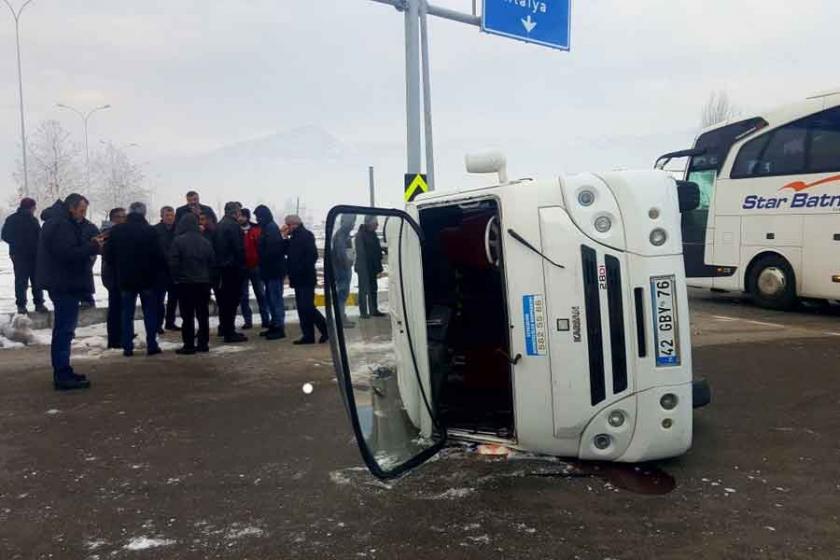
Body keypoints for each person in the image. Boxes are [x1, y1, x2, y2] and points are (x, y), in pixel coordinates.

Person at [36, 194, 102, 391]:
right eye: (81, 210)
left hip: (64, 282)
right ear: (72, 208)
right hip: (63, 283)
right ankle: (62, 374)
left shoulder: (61, 222)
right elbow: (66, 253)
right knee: (64, 330)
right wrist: (92, 246)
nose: (83, 214)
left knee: (65, 329)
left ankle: (64, 370)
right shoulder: (61, 224)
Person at [104, 202, 166, 357]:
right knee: (149, 312)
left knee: (126, 313)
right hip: (147, 279)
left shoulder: (117, 231)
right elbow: (159, 256)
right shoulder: (150, 231)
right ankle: (152, 344)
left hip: (125, 278)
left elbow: (108, 255)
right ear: (144, 214)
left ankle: (127, 346)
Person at [169, 213, 215, 355]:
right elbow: (212, 263)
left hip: (185, 283)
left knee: (187, 316)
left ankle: (188, 345)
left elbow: (173, 262)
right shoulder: (205, 242)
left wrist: (176, 278)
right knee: (203, 315)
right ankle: (203, 343)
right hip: (203, 283)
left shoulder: (178, 241)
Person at [284, 214, 327, 345]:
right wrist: (285, 238)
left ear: (293, 224)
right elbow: (289, 252)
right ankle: (308, 335)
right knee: (302, 308)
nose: (286, 228)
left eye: (288, 225)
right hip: (298, 278)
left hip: (305, 278)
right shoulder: (294, 237)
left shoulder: (305, 235)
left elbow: (312, 255)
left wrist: (300, 268)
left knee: (307, 307)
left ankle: (326, 329)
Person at [1, 197, 46, 315]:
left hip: (17, 255)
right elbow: (40, 237)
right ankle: (39, 304)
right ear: (31, 207)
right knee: (36, 280)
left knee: (21, 281)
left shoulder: (11, 219)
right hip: (33, 255)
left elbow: (5, 235)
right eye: (34, 208)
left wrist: (16, 243)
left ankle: (21, 306)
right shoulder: (33, 220)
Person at [215, 201, 247, 343]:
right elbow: (238, 248)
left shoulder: (220, 224)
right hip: (232, 268)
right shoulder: (233, 226)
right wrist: (242, 266)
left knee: (224, 301)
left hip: (221, 268)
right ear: (236, 212)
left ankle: (224, 328)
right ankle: (230, 332)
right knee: (231, 301)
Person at [254, 205, 287, 340]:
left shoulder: (271, 228)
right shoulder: (267, 227)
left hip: (273, 270)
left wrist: (261, 249)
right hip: (270, 270)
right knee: (271, 298)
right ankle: (274, 324)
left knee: (275, 299)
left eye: (258, 217)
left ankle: (279, 327)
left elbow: (272, 251)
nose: (257, 220)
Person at [238, 208, 269, 330]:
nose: (240, 218)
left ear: (247, 217)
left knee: (260, 294)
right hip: (242, 267)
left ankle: (265, 319)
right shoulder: (234, 230)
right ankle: (247, 320)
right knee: (243, 296)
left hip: (256, 266)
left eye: (242, 216)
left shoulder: (256, 229)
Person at [101, 207, 126, 349]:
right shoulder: (108, 234)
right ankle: (114, 339)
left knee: (122, 307)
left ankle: (121, 335)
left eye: (124, 216)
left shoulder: (121, 233)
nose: (122, 220)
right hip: (113, 276)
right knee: (115, 308)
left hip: (121, 275)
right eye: (119, 217)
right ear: (113, 219)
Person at [154, 206, 180, 332]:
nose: (170, 218)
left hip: (174, 269)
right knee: (159, 299)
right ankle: (158, 324)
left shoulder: (178, 230)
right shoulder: (155, 230)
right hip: (160, 270)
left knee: (173, 298)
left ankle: (170, 322)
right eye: (167, 215)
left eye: (172, 215)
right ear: (162, 216)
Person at [355, 216, 385, 318]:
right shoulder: (360, 235)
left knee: (373, 289)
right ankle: (363, 313)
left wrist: (378, 266)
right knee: (363, 290)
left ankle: (374, 310)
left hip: (372, 268)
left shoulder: (373, 234)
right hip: (363, 268)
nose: (377, 225)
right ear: (369, 223)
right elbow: (361, 253)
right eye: (375, 223)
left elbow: (376, 251)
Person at [331, 214, 357, 327]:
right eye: (352, 222)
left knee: (343, 294)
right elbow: (341, 254)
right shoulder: (341, 235)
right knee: (342, 294)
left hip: (343, 268)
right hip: (342, 269)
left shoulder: (344, 234)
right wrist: (347, 263)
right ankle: (341, 319)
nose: (353, 224)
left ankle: (341, 317)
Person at [79, 216, 100, 309]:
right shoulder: (89, 226)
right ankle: (87, 300)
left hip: (86, 257)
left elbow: (99, 240)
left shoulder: (89, 226)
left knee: (85, 276)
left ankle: (87, 300)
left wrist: (92, 251)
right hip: (80, 256)